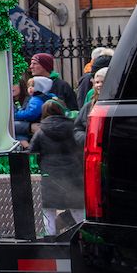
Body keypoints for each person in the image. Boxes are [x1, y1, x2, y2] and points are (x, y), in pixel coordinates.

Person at [25, 99, 85, 234]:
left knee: (48, 211)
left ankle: (50, 241)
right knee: (77, 209)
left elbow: (32, 152)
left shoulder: (41, 132)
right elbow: (81, 148)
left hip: (50, 176)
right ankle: (83, 238)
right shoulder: (73, 128)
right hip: (73, 175)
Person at [74, 65, 109, 146]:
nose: (99, 85)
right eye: (97, 82)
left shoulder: (116, 105)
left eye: (103, 82)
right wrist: (87, 139)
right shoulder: (88, 106)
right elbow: (77, 129)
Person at [14, 75, 52, 141]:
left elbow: (31, 113)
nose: (11, 86)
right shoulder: (40, 98)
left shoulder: (34, 99)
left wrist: (17, 114)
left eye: (15, 83)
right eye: (29, 86)